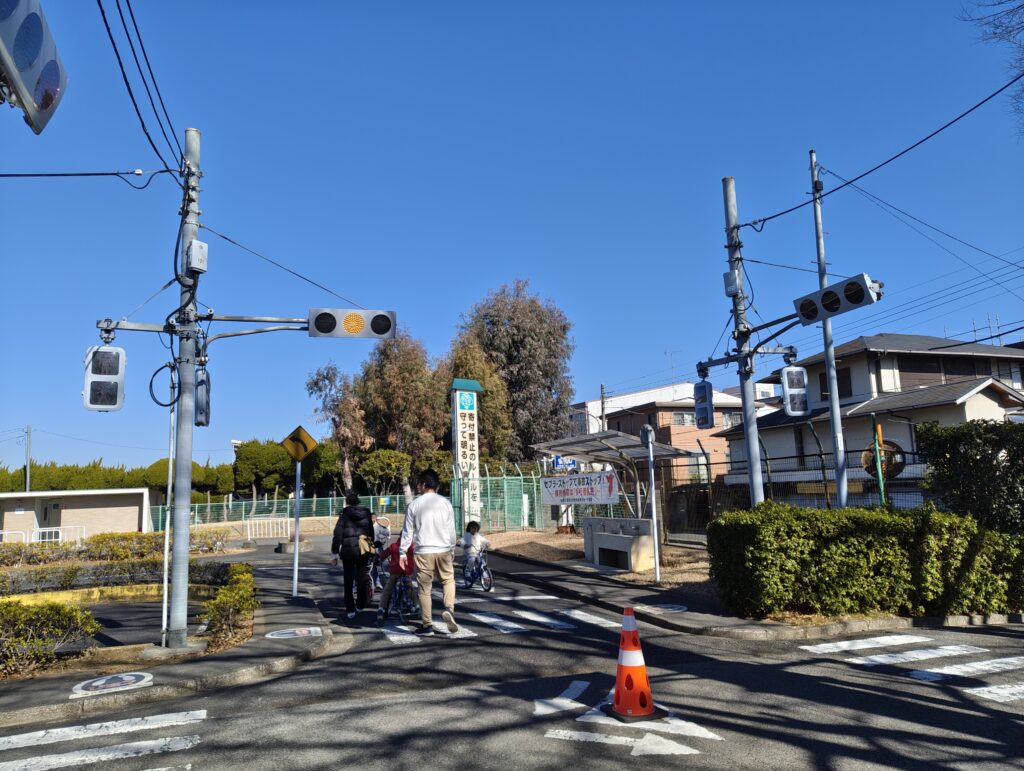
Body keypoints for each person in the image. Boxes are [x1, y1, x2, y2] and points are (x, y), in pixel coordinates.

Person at [399, 469, 458, 636]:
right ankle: (449, 609)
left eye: (419, 484)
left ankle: (427, 625)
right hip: (444, 549)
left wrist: (403, 553)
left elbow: (407, 532)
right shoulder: (445, 503)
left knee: (424, 589)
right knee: (448, 580)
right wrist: (452, 548)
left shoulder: (414, 505)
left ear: (424, 484)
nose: (418, 487)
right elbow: (451, 531)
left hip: (423, 550)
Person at [331, 491, 374, 619]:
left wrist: (334, 554)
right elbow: (371, 533)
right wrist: (372, 549)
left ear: (348, 502)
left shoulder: (344, 515)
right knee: (362, 578)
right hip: (363, 550)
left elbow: (337, 535)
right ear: (358, 501)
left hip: (348, 551)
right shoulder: (366, 514)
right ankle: (360, 605)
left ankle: (350, 609)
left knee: (348, 580)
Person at [375, 539, 415, 625]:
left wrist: (379, 559)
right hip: (406, 572)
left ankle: (381, 608)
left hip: (395, 571)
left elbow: (383, 555)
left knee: (387, 590)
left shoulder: (393, 546)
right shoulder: (411, 547)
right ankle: (416, 605)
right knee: (410, 588)